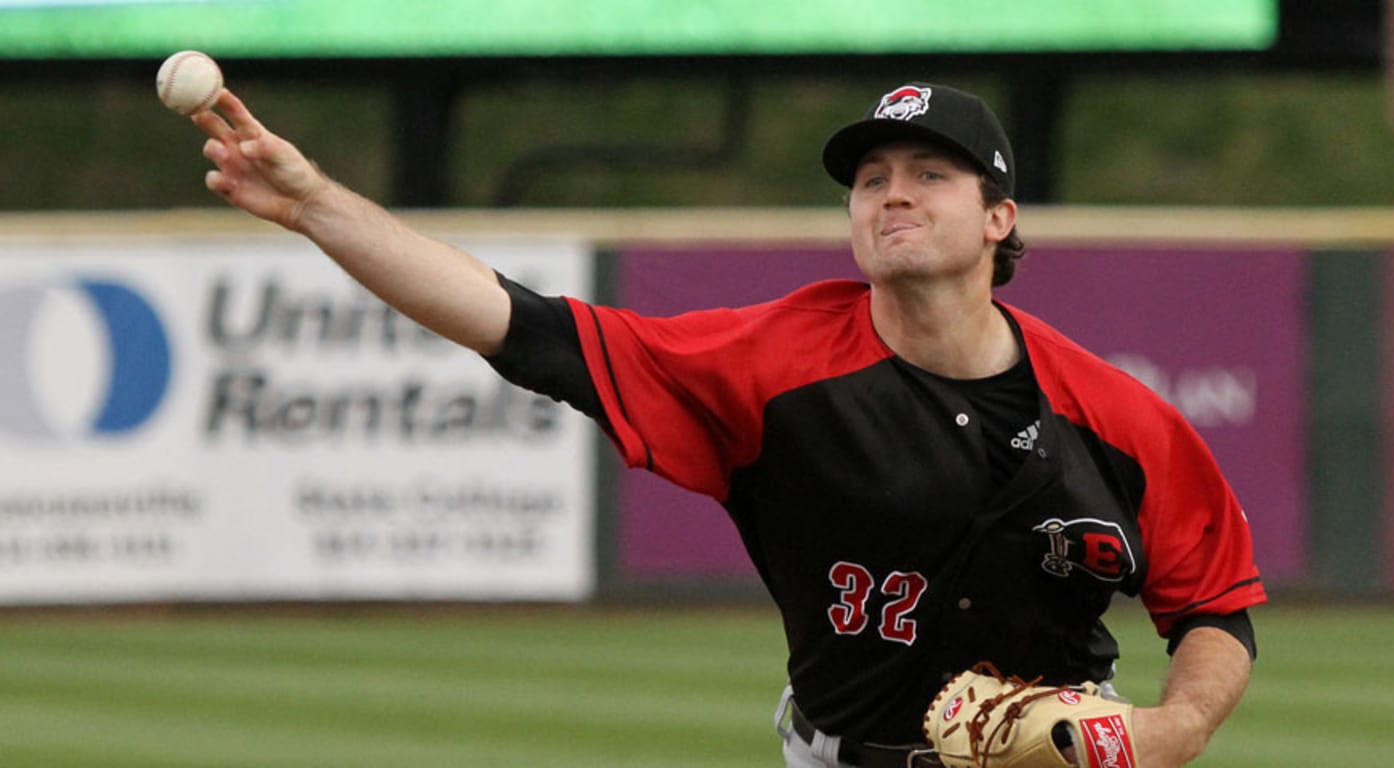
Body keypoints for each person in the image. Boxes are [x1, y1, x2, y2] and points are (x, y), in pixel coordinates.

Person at [192, 80, 1265, 768]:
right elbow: (521, 328)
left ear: (999, 218)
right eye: (871, 180)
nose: (891, 196)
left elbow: (1213, 602)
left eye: (930, 176)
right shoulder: (768, 366)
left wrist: (1175, 730)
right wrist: (315, 205)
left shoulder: (1120, 418)